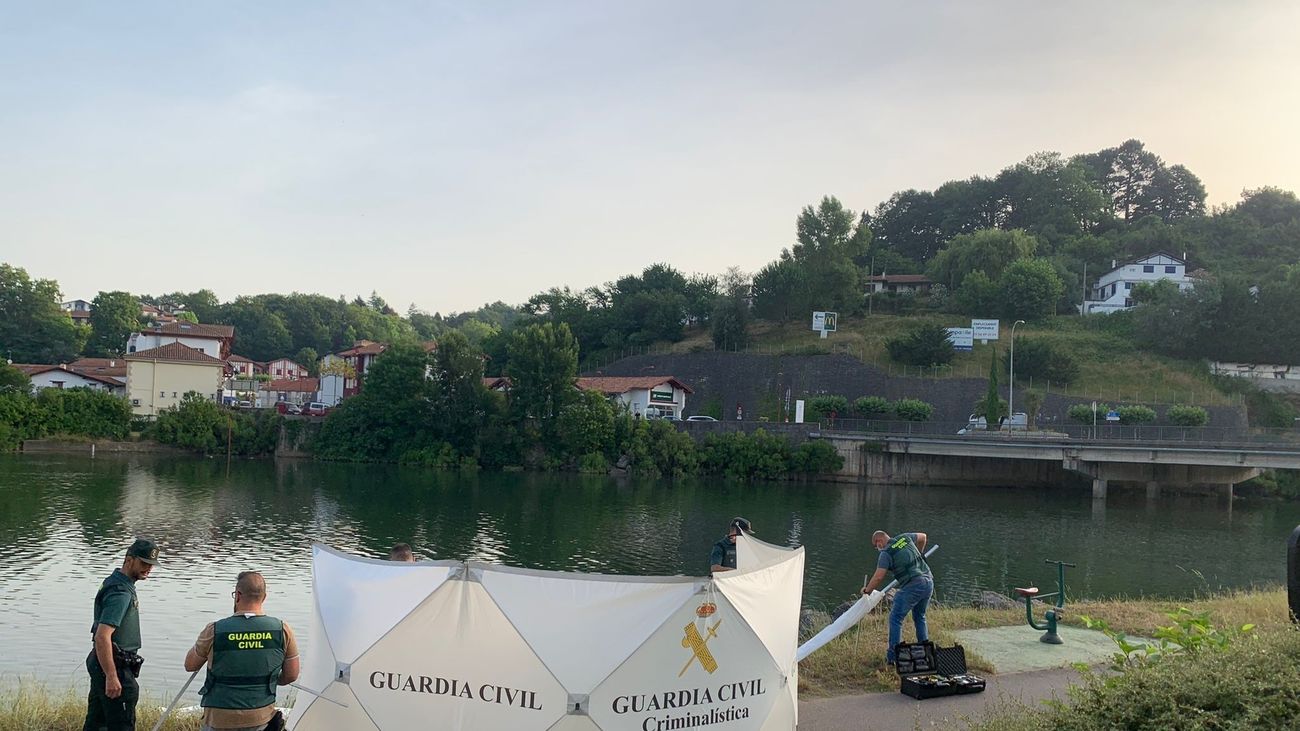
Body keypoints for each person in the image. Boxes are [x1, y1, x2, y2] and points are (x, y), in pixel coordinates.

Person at [185, 571, 300, 731]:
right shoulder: (282, 630)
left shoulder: (214, 630)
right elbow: (291, 675)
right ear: (264, 597)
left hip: (219, 717)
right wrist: (270, 679)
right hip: (260, 716)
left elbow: (190, 665)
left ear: (237, 595)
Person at [85, 537, 160, 731]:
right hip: (114, 664)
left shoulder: (115, 582)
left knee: (97, 722)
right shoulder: (120, 592)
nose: (148, 569)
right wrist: (111, 676)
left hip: (103, 661)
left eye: (151, 565)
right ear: (129, 560)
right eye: (144, 563)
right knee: (122, 724)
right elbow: (102, 636)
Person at [862, 530, 933, 664]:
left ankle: (893, 657)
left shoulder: (886, 553)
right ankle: (925, 651)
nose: (876, 548)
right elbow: (923, 536)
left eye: (875, 546)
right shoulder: (905, 538)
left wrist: (867, 590)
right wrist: (920, 554)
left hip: (913, 585)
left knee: (895, 618)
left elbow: (879, 576)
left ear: (879, 542)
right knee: (919, 616)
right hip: (928, 581)